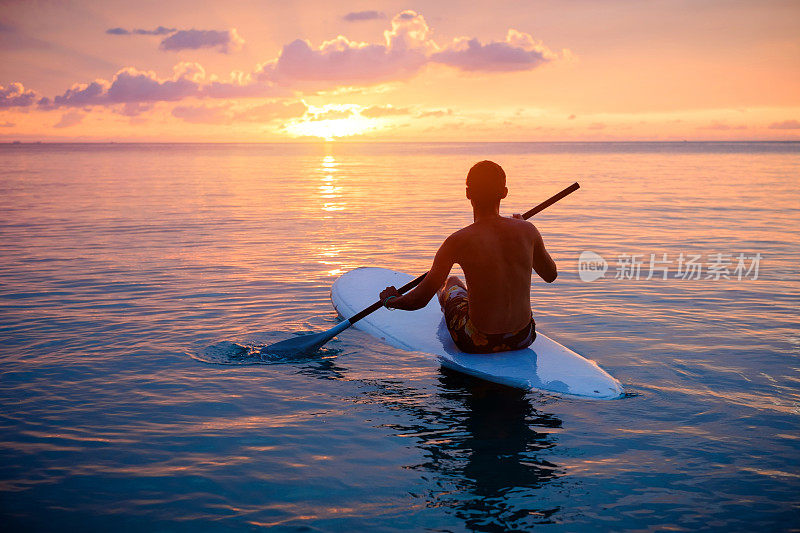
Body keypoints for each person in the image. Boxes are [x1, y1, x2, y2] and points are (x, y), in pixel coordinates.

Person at [379, 160, 558, 354]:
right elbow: (550, 275)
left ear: (468, 193)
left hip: (476, 341)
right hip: (524, 337)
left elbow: (418, 300)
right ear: (504, 193)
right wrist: (525, 235)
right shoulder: (528, 230)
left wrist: (390, 301)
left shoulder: (457, 241)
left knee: (451, 282)